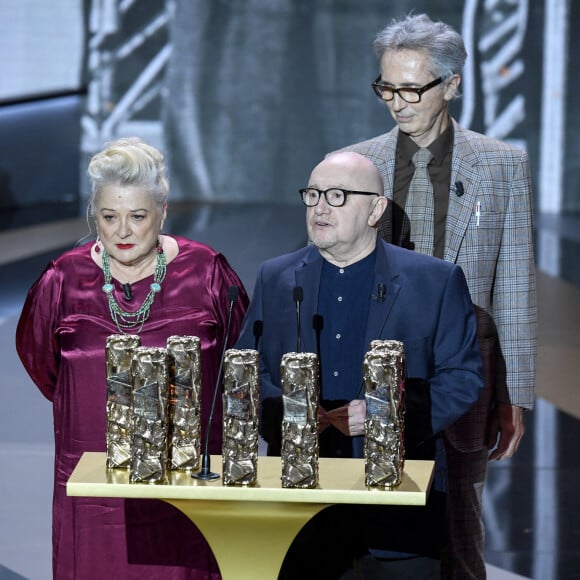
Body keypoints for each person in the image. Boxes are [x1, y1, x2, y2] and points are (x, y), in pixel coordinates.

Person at [336, 13, 537, 579]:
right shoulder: (357, 163)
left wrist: (514, 393)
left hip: (464, 374)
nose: (397, 103)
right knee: (365, 528)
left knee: (459, 532)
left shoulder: (501, 166)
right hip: (369, 373)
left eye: (410, 89)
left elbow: (514, 284)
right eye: (386, 88)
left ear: (451, 84)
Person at [236, 151, 484, 578]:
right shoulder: (276, 277)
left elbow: (462, 377)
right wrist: (288, 413)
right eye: (312, 195)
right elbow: (247, 369)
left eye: (337, 195)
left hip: (399, 508)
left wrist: (383, 416)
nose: (319, 207)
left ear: (375, 209)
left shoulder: (435, 281)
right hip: (303, 502)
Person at [16, 137, 249, 579]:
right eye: (109, 217)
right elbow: (42, 364)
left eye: (137, 217)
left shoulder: (207, 273)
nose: (122, 231)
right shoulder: (62, 279)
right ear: (94, 216)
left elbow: (238, 362)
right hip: (92, 479)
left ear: (162, 213)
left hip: (186, 479)